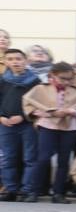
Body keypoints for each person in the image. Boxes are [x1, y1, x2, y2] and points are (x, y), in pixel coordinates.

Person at [23, 61, 76, 204]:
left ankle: (59, 193)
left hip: (69, 128)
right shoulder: (41, 89)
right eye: (63, 78)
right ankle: (33, 191)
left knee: (64, 160)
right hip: (48, 125)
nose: (67, 82)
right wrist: (47, 113)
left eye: (70, 79)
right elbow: (28, 104)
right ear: (52, 75)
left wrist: (74, 112)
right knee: (43, 158)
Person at [0, 48, 41, 201]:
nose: (15, 62)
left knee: (30, 158)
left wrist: (23, 116)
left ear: (25, 61)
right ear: (5, 62)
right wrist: (1, 117)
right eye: (10, 59)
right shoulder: (2, 80)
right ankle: (10, 189)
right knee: (8, 158)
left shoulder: (35, 81)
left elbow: (39, 103)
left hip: (28, 125)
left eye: (18, 59)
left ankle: (28, 190)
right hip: (6, 125)